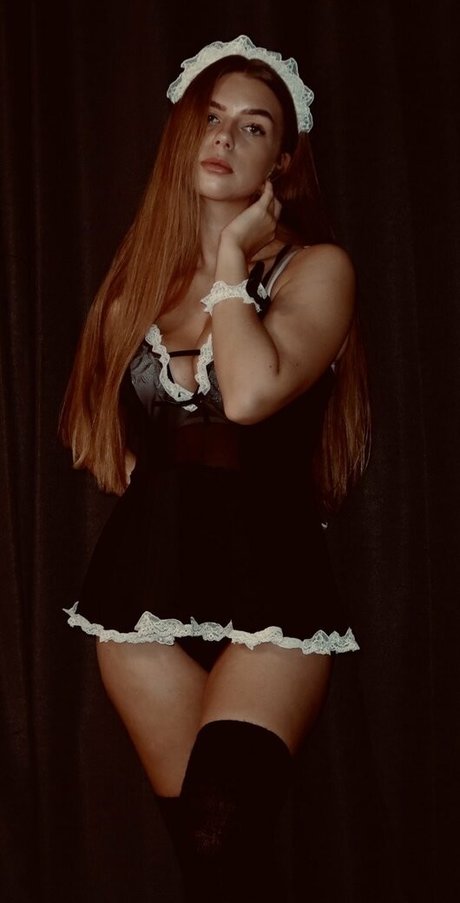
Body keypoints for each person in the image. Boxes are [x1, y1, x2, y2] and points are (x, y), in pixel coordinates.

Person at [59, 34, 370, 902]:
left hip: (272, 591)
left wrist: (231, 260)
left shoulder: (316, 270)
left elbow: (251, 395)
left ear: (283, 163)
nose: (225, 137)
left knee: (221, 838)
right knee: (215, 873)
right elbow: (119, 449)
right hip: (141, 598)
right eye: (211, 117)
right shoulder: (133, 291)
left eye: (253, 126)